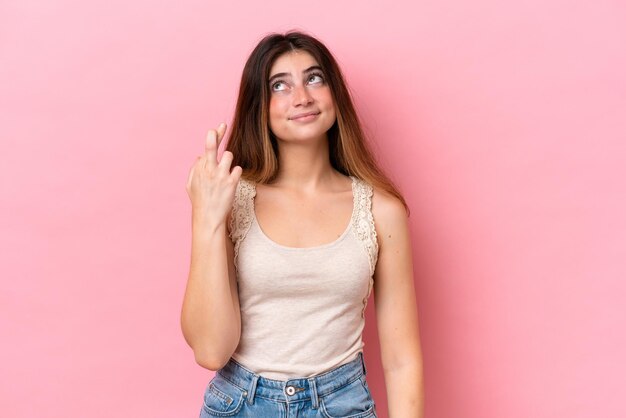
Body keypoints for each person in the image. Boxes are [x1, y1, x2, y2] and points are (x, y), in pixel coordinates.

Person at [181, 30, 424, 418]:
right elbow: (211, 350)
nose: (302, 97)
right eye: (280, 85)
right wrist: (206, 219)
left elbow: (401, 360)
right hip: (240, 405)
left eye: (314, 78)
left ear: (335, 93)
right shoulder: (231, 198)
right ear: (259, 106)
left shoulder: (381, 209)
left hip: (341, 404)